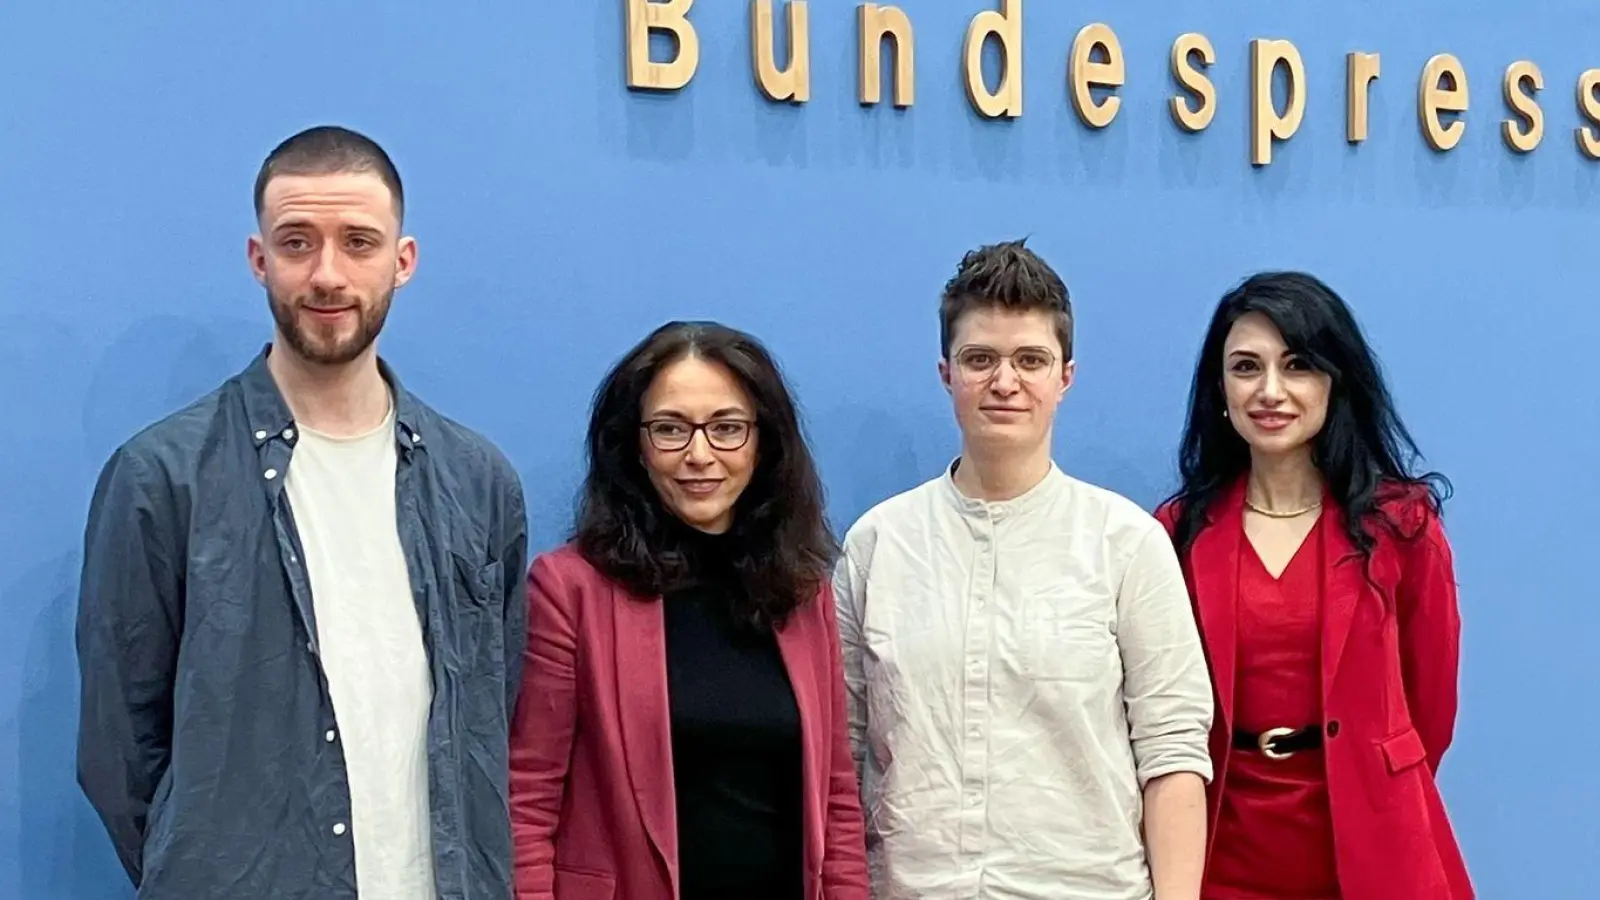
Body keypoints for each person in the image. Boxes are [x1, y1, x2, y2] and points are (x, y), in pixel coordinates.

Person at [74, 125, 529, 899]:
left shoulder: (477, 480)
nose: (327, 275)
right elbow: (121, 755)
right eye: (296, 243)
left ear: (402, 261)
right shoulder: (162, 478)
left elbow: (493, 712)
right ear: (259, 260)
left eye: (358, 242)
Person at [833, 239, 1215, 900]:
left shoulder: (1127, 544)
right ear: (945, 373)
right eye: (980, 359)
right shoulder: (877, 544)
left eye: (1030, 360)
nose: (1004, 382)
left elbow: (1174, 753)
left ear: (1066, 377)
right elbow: (842, 751)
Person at [509, 321, 869, 900]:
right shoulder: (569, 591)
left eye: (727, 429)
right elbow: (529, 798)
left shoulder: (802, 592)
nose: (699, 455)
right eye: (670, 429)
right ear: (635, 446)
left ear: (763, 442)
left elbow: (835, 796)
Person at [1155, 271, 1474, 900]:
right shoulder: (1177, 531)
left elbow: (1430, 705)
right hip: (1225, 847)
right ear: (1219, 390)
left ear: (1334, 380)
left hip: (1375, 839)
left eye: (1297, 365)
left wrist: (1370, 776)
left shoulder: (1402, 525)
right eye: (1246, 367)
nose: (1270, 390)